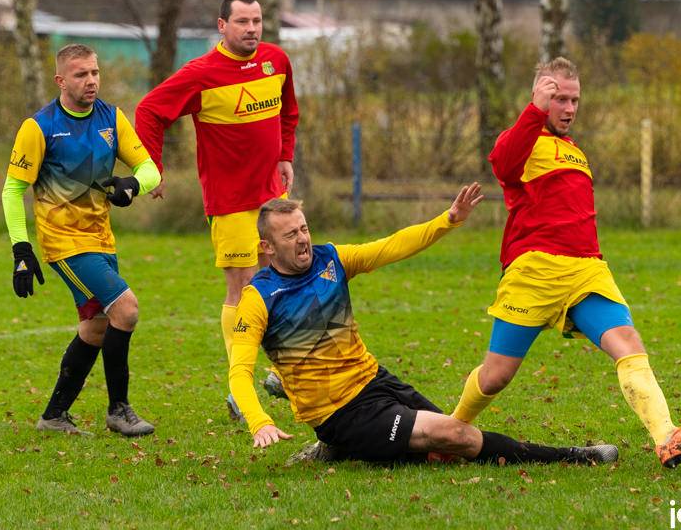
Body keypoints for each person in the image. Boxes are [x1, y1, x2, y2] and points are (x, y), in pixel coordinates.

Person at [450, 57, 681, 468]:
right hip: (534, 272)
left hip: (586, 271)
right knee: (496, 376)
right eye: (559, 99)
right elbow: (502, 164)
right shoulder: (523, 139)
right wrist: (533, 111)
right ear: (539, 97)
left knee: (628, 344)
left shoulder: (574, 150)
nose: (568, 108)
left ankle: (667, 437)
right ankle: (450, 431)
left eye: (574, 100)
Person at [227, 184, 619, 466]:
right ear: (267, 247)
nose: (303, 240)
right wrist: (259, 422)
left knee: (450, 439)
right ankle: (573, 457)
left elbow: (392, 246)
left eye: (304, 228)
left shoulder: (331, 260)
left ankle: (338, 448)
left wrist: (447, 221)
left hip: (375, 381)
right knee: (454, 437)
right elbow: (239, 372)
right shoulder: (259, 298)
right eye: (291, 234)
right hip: (341, 414)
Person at [134, 0, 298, 417]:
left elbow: (288, 112)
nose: (251, 28)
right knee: (244, 288)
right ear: (222, 25)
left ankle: (282, 371)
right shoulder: (201, 74)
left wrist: (285, 155)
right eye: (242, 21)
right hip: (231, 203)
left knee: (284, 281)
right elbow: (149, 110)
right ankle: (239, 387)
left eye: (257, 20)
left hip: (273, 196)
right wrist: (153, 167)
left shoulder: (276, 60)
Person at [2, 43, 161, 436]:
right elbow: (12, 190)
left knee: (96, 328)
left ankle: (54, 416)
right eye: (81, 74)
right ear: (61, 80)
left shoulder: (111, 117)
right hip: (64, 243)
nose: (91, 81)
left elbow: (150, 169)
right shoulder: (39, 127)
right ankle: (119, 410)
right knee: (126, 309)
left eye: (95, 72)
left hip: (101, 240)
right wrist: (21, 249)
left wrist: (132, 185)